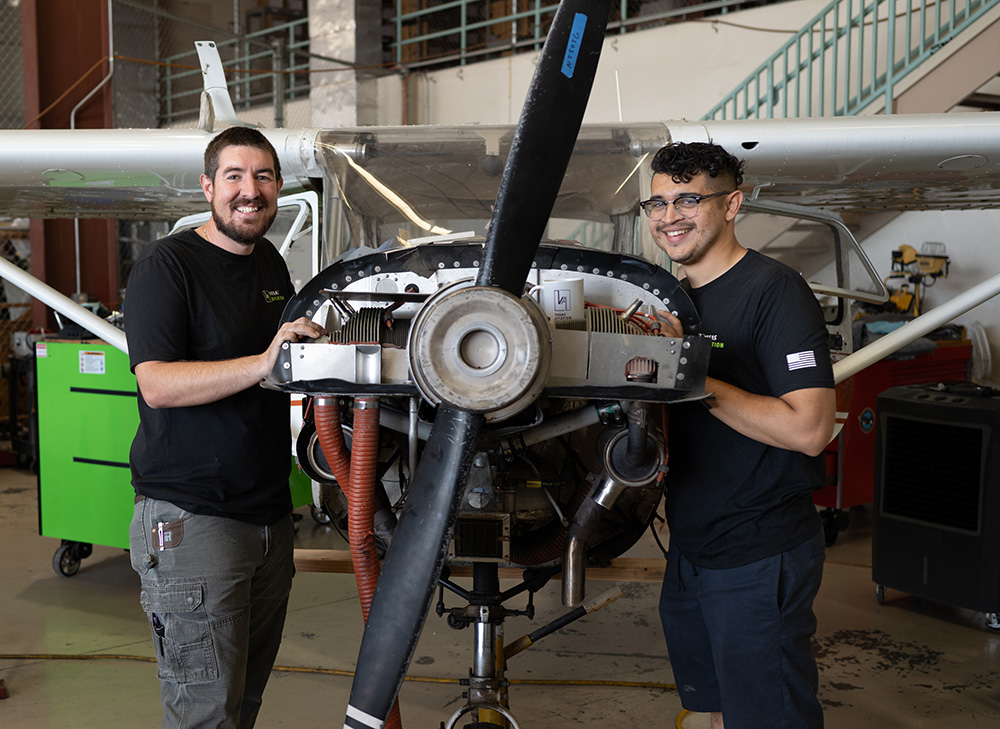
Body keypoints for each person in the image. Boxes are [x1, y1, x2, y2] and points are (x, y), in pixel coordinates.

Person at [125, 126, 324, 728]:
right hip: (193, 520)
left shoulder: (267, 261)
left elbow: (282, 369)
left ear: (279, 187)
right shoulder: (167, 267)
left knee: (242, 704)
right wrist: (266, 361)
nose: (249, 191)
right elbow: (156, 384)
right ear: (208, 187)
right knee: (205, 713)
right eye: (234, 176)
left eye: (263, 176)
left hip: (266, 517)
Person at [642, 142, 835, 729]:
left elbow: (810, 429)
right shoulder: (669, 300)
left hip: (759, 546)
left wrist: (689, 373)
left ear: (732, 204)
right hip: (693, 546)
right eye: (658, 202)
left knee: (767, 716)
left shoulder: (774, 290)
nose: (669, 216)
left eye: (688, 200)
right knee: (707, 711)